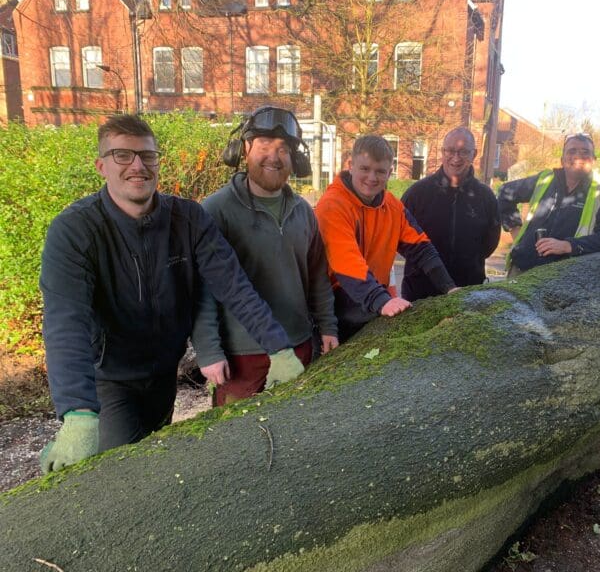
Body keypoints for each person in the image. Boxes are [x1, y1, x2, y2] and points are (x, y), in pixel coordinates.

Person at [38, 114, 303, 473]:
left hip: (164, 371)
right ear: (101, 165)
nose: (137, 166)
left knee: (155, 455)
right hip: (110, 377)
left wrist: (278, 347)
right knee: (120, 470)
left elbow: (233, 285)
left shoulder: (188, 219)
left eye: (147, 156)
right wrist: (78, 412)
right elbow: (65, 322)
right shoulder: (75, 231)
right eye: (122, 155)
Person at [191, 106, 338, 406]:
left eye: (283, 149)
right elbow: (200, 289)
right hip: (241, 358)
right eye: (264, 146)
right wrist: (208, 351)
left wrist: (328, 327)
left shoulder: (303, 213)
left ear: (294, 158)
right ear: (245, 148)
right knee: (236, 443)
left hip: (299, 347)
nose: (274, 156)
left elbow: (317, 277)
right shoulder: (216, 210)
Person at [315, 135, 458, 342]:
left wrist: (449, 287)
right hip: (335, 307)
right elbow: (346, 263)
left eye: (380, 171)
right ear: (350, 165)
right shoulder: (333, 206)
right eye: (365, 169)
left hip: (369, 300)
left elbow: (421, 247)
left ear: (389, 173)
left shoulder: (392, 206)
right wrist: (382, 301)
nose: (372, 178)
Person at [498, 133, 600, 275]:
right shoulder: (545, 179)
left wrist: (568, 245)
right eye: (572, 151)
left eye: (585, 152)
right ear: (562, 160)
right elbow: (505, 192)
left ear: (594, 160)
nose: (578, 156)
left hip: (566, 279)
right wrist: (515, 229)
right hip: (522, 269)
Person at [401, 127, 500, 300]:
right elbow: (400, 239)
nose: (456, 157)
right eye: (450, 151)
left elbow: (489, 243)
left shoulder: (486, 197)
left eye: (463, 152)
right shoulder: (417, 193)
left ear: (474, 154)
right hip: (420, 292)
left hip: (468, 292)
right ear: (442, 152)